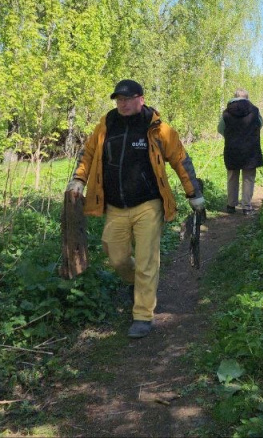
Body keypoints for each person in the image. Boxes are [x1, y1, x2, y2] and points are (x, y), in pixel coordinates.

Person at [67, 79, 204, 339]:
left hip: (148, 204)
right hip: (115, 205)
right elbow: (87, 154)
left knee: (146, 259)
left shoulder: (158, 128)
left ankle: (142, 315)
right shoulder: (106, 125)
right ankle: (136, 284)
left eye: (128, 99)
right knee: (116, 256)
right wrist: (79, 179)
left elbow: (180, 159)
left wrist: (193, 193)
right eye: (119, 99)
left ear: (141, 99)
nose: (123, 103)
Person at [218, 88, 263, 215]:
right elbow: (260, 124)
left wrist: (231, 136)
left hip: (232, 148)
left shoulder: (226, 112)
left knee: (232, 176)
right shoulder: (254, 110)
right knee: (248, 177)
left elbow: (220, 129)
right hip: (250, 149)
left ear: (234, 96)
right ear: (247, 97)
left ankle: (231, 205)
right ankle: (246, 207)